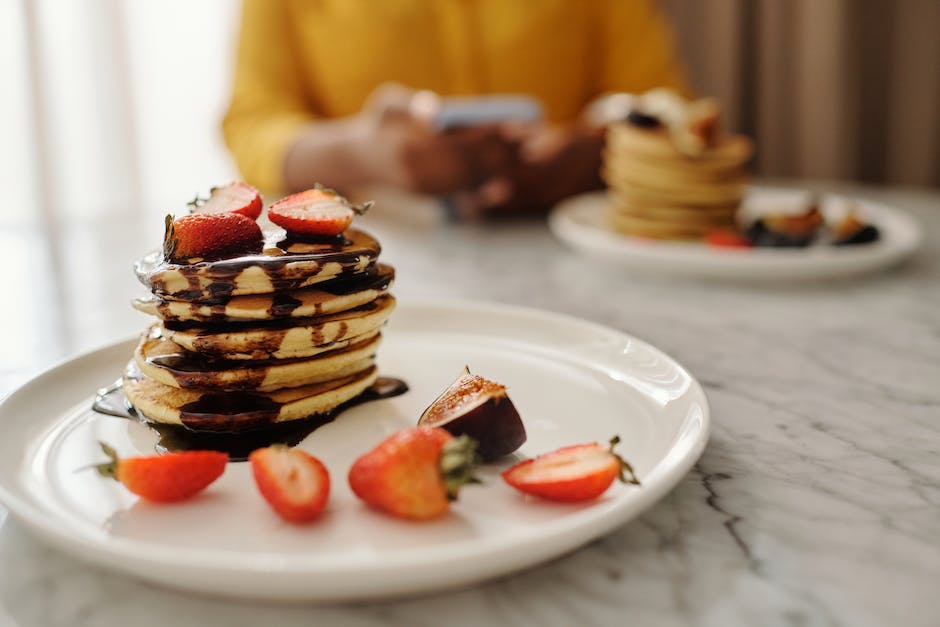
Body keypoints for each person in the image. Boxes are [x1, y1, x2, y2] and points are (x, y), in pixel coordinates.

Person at [222, 0, 688, 217]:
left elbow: (666, 110)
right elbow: (254, 122)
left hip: (573, 245)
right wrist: (362, 151)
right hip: (365, 252)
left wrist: (591, 149)